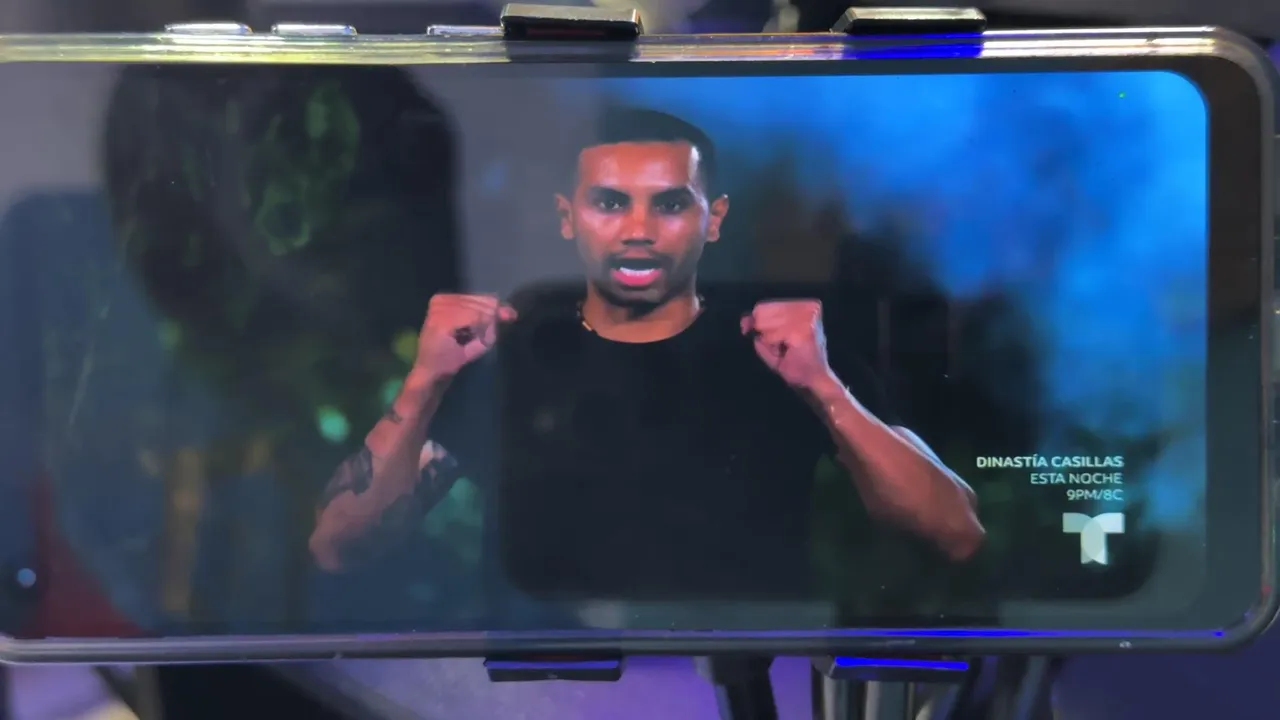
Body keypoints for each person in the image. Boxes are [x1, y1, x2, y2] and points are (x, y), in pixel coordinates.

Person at [308, 107, 984, 602]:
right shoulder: (506, 363)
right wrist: (425, 380)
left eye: (669, 205)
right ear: (568, 216)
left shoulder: (786, 356)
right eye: (610, 203)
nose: (638, 230)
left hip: (738, 686)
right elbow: (337, 545)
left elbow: (955, 531)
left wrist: (825, 389)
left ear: (713, 218)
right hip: (543, 689)